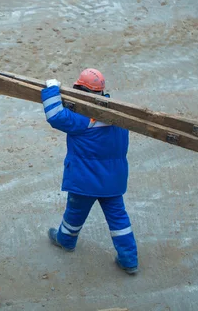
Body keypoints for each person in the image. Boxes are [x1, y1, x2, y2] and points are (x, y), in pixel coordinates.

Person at [41, 68, 138, 274]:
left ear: (81, 90)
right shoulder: (119, 117)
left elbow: (55, 115)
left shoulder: (83, 121)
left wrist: (51, 89)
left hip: (85, 181)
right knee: (119, 219)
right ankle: (129, 259)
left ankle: (65, 240)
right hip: (113, 181)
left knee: (75, 213)